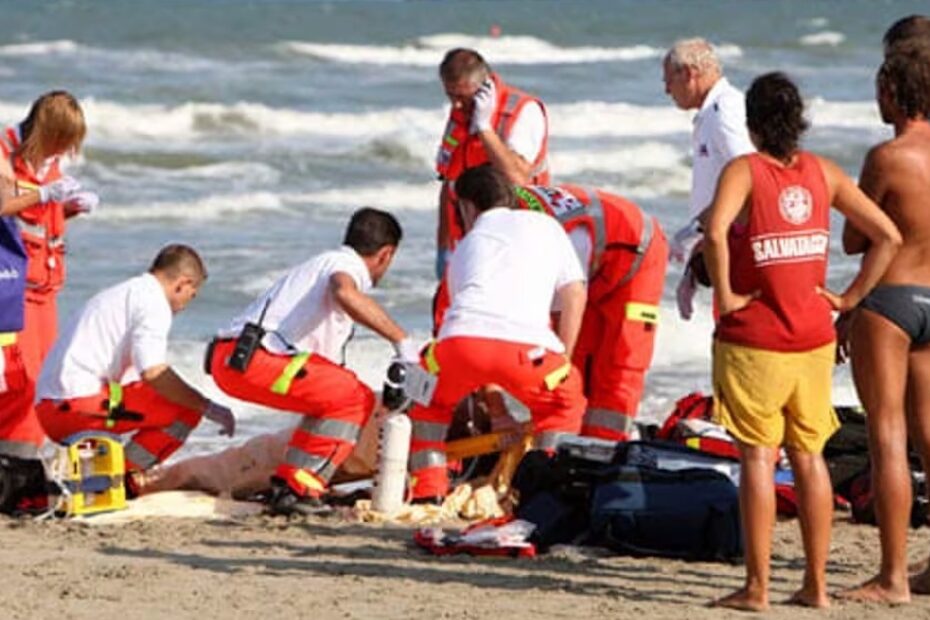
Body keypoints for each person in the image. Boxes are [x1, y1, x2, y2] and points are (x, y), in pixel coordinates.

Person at [703, 72, 900, 611]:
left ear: (751, 123)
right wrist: (849, 297)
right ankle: (815, 586)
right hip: (813, 335)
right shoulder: (825, 172)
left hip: (756, 338)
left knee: (758, 459)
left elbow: (716, 231)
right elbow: (887, 236)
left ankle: (757, 588)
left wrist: (725, 296)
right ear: (800, 120)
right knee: (809, 456)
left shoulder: (744, 171)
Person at [207, 208, 418, 516]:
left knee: (333, 397)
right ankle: (302, 486)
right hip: (253, 357)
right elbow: (343, 290)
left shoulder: (319, 266)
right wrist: (402, 341)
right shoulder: (345, 265)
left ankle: (290, 488)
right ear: (386, 254)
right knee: (354, 398)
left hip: (232, 358)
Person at [408, 166, 587, 504]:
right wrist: (563, 357)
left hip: (458, 347)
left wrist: (497, 409)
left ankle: (427, 493)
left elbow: (476, 335)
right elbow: (574, 295)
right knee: (564, 404)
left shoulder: (467, 246)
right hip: (529, 352)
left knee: (426, 402)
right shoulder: (547, 226)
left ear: (468, 207)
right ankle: (545, 493)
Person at [838, 45, 930, 605]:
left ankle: (893, 577)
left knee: (888, 436)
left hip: (890, 300)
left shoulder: (887, 156)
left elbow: (855, 237)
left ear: (894, 91)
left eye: (880, 89)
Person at [35, 245, 233, 482]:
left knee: (159, 396)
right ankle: (122, 478)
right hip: (76, 407)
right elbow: (153, 372)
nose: (186, 305)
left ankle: (118, 471)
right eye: (191, 294)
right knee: (185, 409)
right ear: (183, 283)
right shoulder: (154, 303)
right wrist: (209, 407)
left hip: (51, 407)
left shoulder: (124, 293)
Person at [510, 184, 668, 440]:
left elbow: (563, 316)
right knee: (582, 361)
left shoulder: (554, 240)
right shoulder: (499, 224)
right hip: (595, 265)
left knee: (620, 363)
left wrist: (555, 377)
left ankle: (605, 450)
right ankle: (570, 439)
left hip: (638, 259)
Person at [0, 91, 98, 463]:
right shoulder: (5, 152)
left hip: (45, 289)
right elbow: (2, 206)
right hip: (12, 288)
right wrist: (44, 194)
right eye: (61, 140)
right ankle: (13, 459)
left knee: (43, 378)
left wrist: (70, 208)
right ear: (45, 129)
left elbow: (37, 223)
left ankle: (27, 460)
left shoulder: (50, 164)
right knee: (16, 378)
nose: (65, 151)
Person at [434, 48, 549, 278]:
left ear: (484, 88)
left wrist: (484, 128)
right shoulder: (459, 116)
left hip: (514, 246)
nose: (456, 105)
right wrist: (443, 247)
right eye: (450, 95)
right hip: (468, 246)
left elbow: (518, 177)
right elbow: (449, 184)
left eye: (462, 97)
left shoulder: (522, 112)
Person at [662, 38, 754, 320]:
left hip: (736, 247)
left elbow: (751, 175)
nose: (667, 90)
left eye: (668, 80)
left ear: (689, 73)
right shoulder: (710, 112)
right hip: (719, 243)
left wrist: (695, 231)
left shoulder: (724, 111)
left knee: (733, 333)